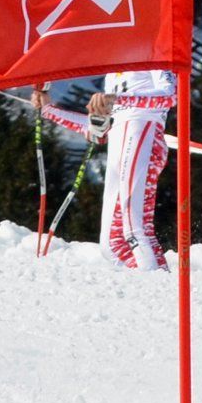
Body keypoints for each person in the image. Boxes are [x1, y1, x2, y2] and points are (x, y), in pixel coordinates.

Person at [34, 69, 176, 270]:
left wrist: (117, 99)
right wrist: (48, 110)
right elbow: (100, 131)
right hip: (120, 139)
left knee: (135, 230)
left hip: (143, 130)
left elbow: (170, 96)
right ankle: (149, 279)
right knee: (112, 243)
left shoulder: (153, 55)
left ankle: (156, 284)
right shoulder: (113, 69)